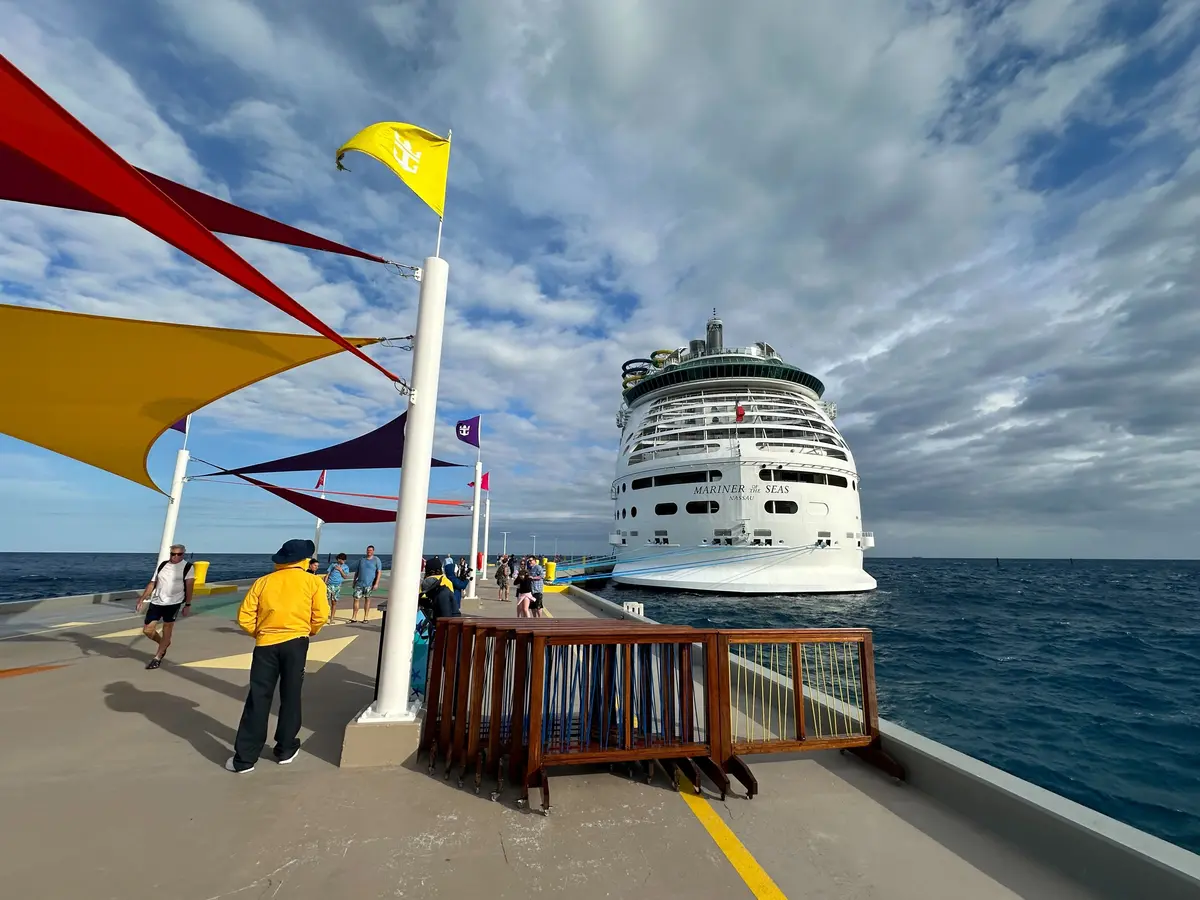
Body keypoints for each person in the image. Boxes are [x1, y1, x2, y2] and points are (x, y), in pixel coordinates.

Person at [226, 539, 329, 774]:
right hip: (296, 643)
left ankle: (245, 759)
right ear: (304, 560)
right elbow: (321, 615)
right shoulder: (313, 582)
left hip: (265, 644)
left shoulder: (263, 582)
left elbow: (244, 617)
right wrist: (308, 630)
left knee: (258, 697)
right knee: (291, 695)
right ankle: (285, 749)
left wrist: (261, 632)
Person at [135, 543, 195, 670]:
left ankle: (157, 657)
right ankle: (164, 643)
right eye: (173, 554)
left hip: (174, 603)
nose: (176, 557)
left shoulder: (188, 567)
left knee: (167, 628)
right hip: (156, 601)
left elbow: (190, 587)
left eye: (179, 554)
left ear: (183, 554)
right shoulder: (162, 565)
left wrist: (187, 604)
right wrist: (142, 598)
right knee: (148, 630)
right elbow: (153, 583)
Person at [350, 544, 382, 624]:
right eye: (368, 550)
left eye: (370, 550)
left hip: (369, 584)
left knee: (367, 600)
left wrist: (376, 583)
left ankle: (366, 617)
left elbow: (379, 572)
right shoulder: (362, 560)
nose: (369, 552)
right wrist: (354, 581)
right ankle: (354, 617)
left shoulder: (376, 560)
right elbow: (357, 571)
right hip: (359, 584)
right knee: (356, 599)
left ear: (373, 551)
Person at [324, 552, 350, 621]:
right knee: (326, 601)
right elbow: (327, 574)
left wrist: (340, 570)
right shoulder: (333, 565)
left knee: (334, 602)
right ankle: (325, 616)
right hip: (329, 584)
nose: (343, 561)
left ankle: (332, 617)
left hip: (337, 586)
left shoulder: (345, 567)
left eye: (344, 560)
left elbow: (345, 577)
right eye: (342, 559)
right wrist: (325, 583)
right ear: (338, 559)